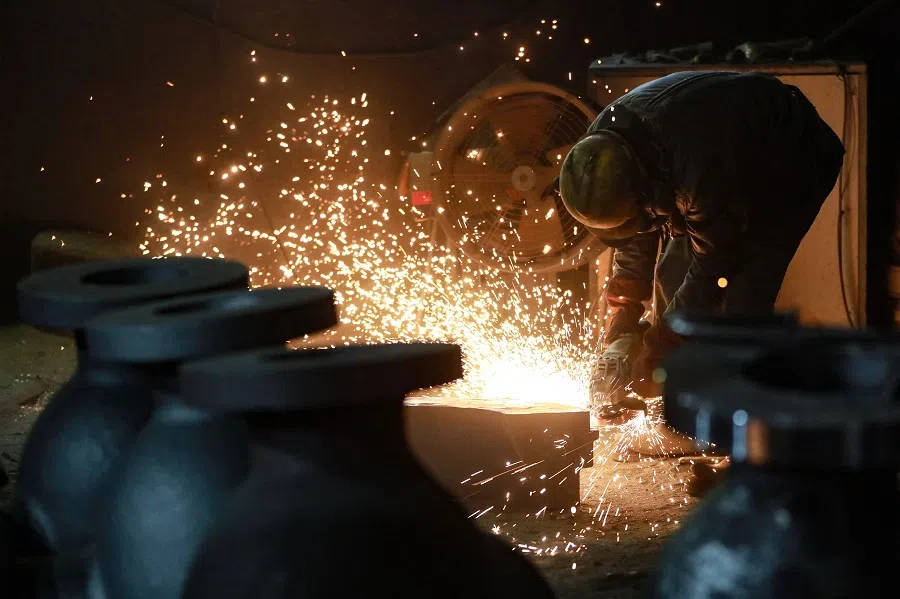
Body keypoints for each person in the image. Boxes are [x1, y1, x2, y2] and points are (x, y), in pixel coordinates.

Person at [558, 71, 845, 405]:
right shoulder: (602, 150)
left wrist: (659, 347)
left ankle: (735, 408)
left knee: (741, 296)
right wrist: (626, 304)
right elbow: (636, 227)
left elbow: (713, 267)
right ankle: (675, 395)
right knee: (672, 277)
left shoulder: (697, 170)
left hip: (789, 159)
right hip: (707, 165)